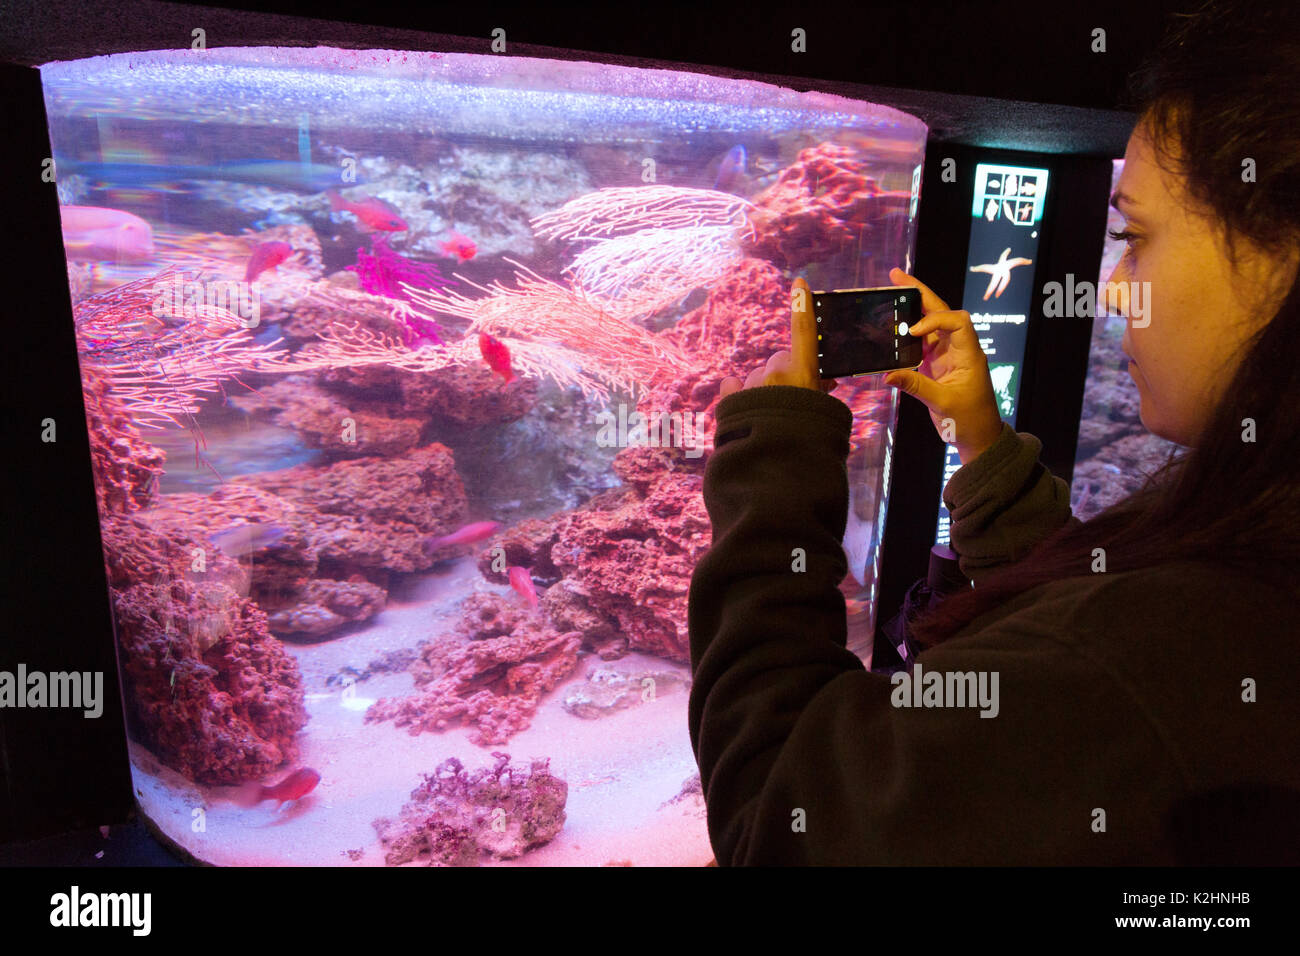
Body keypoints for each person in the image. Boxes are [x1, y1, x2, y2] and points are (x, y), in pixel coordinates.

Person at [687, 0, 1300, 865]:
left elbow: (779, 810)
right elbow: (1100, 628)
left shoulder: (1145, 664)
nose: (1118, 291)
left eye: (1137, 235)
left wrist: (776, 459)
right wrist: (983, 445)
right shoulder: (1241, 580)